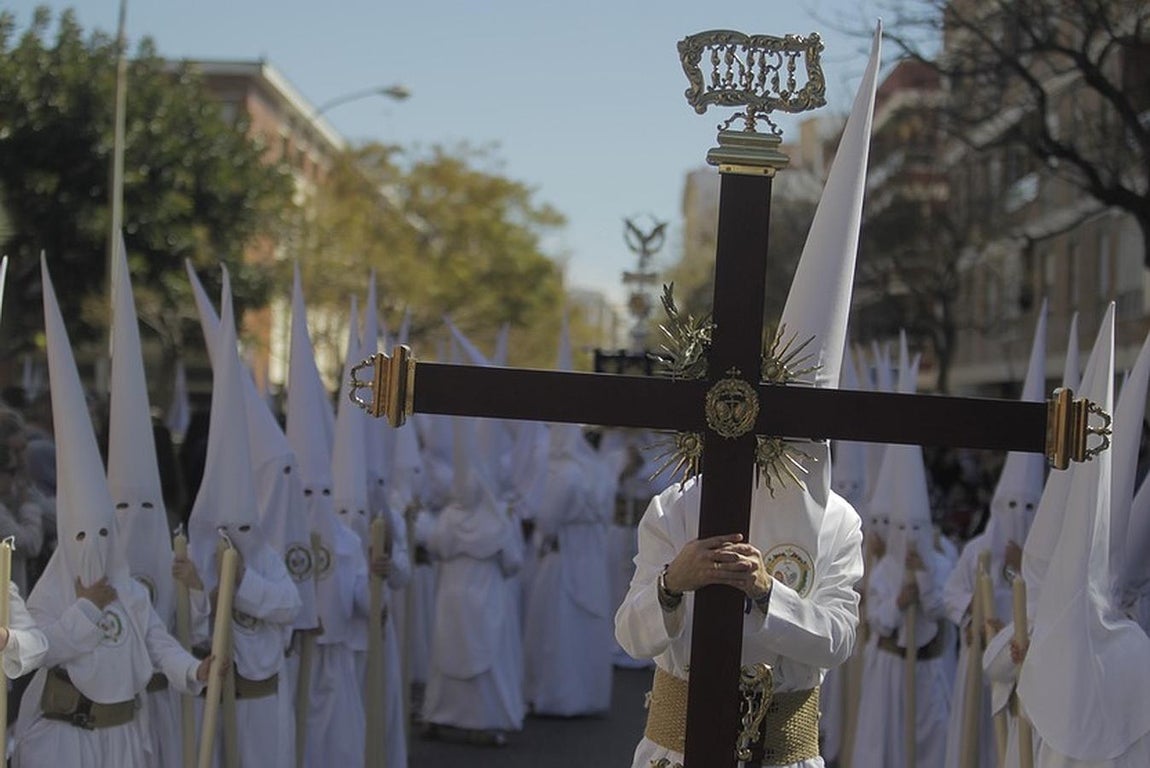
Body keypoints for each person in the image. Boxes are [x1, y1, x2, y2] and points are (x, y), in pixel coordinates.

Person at [616, 27, 879, 768]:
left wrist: (769, 593)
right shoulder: (675, 510)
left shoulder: (840, 525)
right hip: (675, 748)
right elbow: (632, 633)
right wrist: (675, 582)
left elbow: (839, 639)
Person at [13, 259, 218, 768]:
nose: (99, 543)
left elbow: (159, 645)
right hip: (64, 741)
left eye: (106, 531)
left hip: (126, 739)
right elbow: (36, 650)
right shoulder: (56, 591)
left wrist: (195, 672)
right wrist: (85, 607)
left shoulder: (128, 591)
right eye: (86, 533)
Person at [175, 268, 301, 768]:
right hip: (212, 706)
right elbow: (189, 627)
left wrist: (241, 581)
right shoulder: (190, 554)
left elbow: (288, 606)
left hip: (263, 705)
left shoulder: (264, 558)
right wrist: (198, 586)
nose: (233, 540)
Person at [423, 417, 524, 746]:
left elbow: (436, 547)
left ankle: (442, 715)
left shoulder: (450, 517)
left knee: (448, 657)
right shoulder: (494, 518)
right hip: (487, 592)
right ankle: (488, 718)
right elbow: (513, 562)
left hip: (452, 591)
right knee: (487, 658)